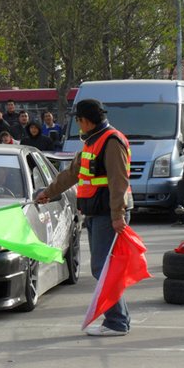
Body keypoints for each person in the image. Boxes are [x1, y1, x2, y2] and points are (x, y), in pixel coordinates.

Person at [36, 99, 134, 336]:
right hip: (97, 213)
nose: (78, 124)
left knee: (103, 268)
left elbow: (119, 182)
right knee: (104, 268)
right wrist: (48, 193)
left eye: (78, 120)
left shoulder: (110, 141)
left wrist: (117, 215)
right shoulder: (92, 141)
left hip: (108, 214)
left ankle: (117, 322)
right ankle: (118, 319)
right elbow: (71, 174)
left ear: (86, 120)